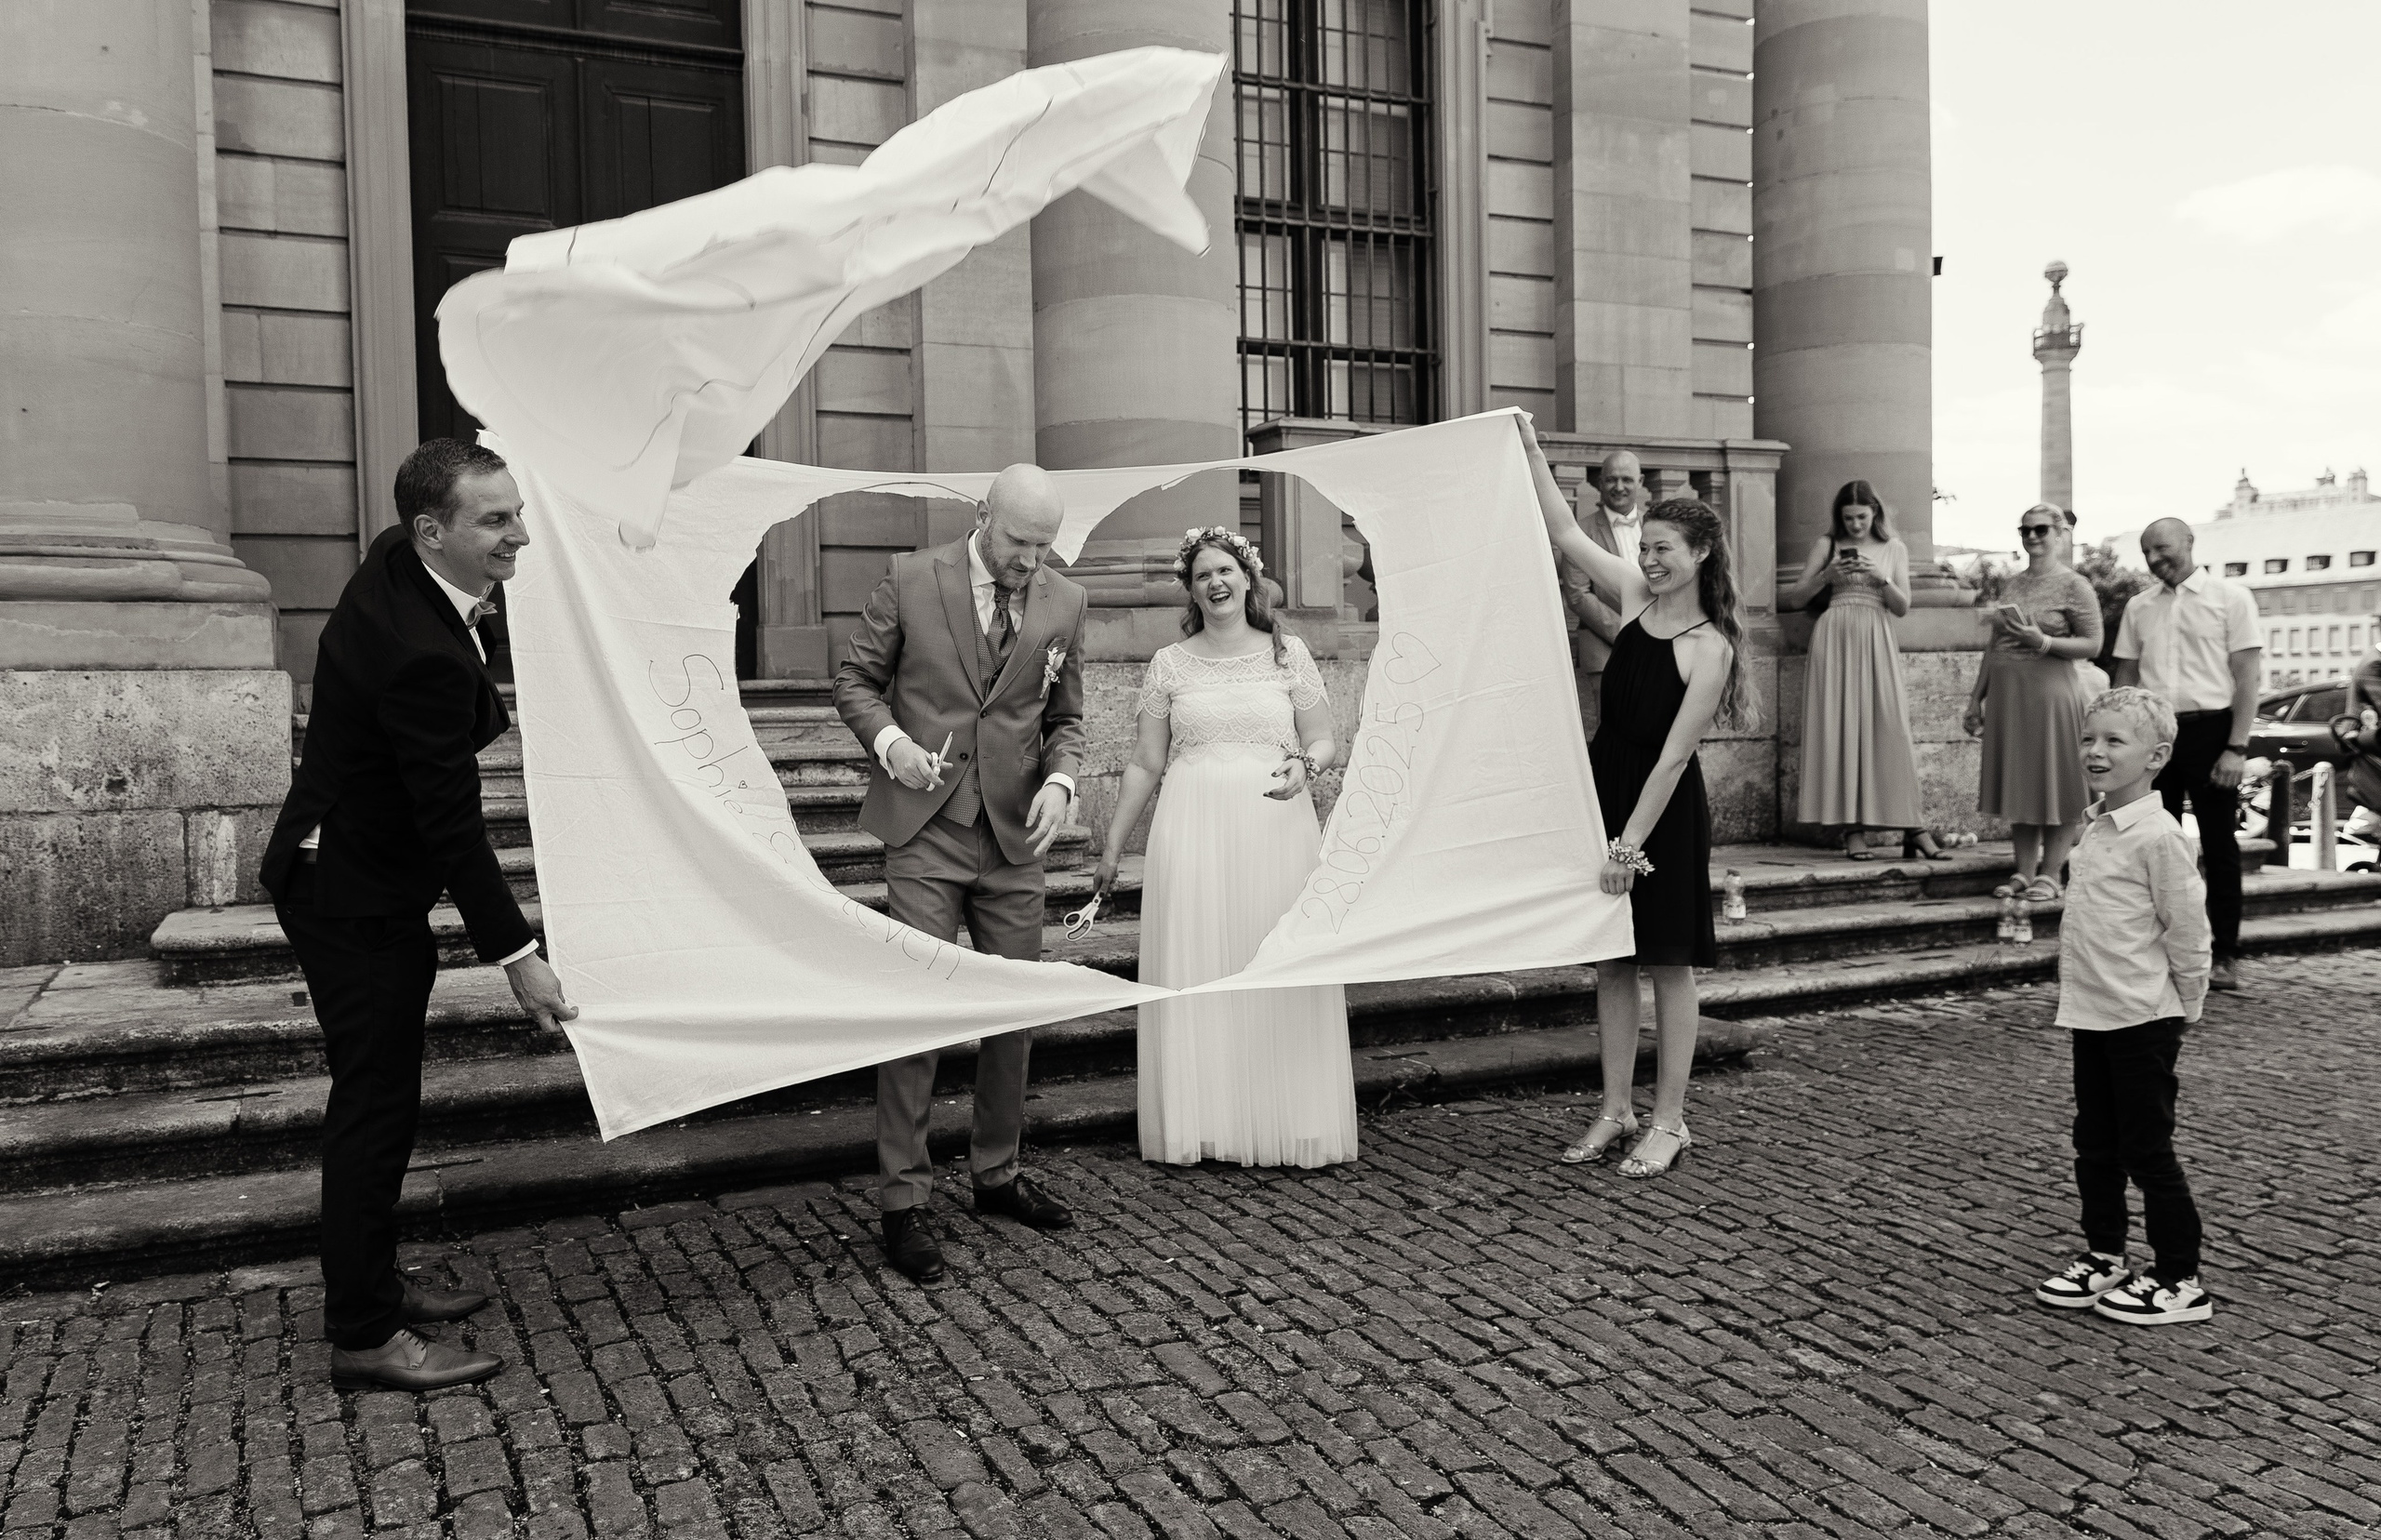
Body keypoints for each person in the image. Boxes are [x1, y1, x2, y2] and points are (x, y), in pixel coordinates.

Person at [259, 439, 578, 1391]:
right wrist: (519, 955)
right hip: (350, 895)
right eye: (495, 520)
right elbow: (452, 830)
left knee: (381, 1101)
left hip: (352, 867)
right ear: (430, 529)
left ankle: (374, 1285)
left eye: (517, 512)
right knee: (373, 1108)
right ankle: (364, 1331)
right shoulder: (418, 655)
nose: (519, 535)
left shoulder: (399, 563)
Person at [833, 464, 1089, 1283]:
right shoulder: (912, 578)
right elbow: (854, 680)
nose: (1030, 560)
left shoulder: (1065, 601)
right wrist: (892, 746)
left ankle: (997, 1174)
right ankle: (904, 1202)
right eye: (1019, 541)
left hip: (1015, 838)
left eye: (1045, 545)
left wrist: (1061, 779)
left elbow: (1066, 718)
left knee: (1012, 1011)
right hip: (926, 832)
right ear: (984, 517)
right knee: (918, 1013)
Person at [1522, 420, 1758, 1178]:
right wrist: (1527, 448)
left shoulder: (1710, 647)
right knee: (1612, 965)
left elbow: (1674, 757)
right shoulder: (1626, 593)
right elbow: (1562, 529)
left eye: (1664, 549)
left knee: (1667, 965)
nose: (1649, 560)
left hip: (1660, 812)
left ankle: (1669, 1121)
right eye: (1645, 546)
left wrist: (1629, 846)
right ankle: (1615, 1109)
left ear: (1700, 555)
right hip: (1605, 786)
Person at [1093, 527, 1355, 1167]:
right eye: (1203, 574)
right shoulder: (1169, 665)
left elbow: (1323, 739)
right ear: (1191, 590)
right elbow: (1144, 765)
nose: (1216, 582)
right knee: (1201, 968)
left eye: (1226, 570)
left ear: (1248, 578)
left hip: (1275, 832)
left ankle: (1288, 1119)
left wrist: (1306, 770)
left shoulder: (1287, 654)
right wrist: (1111, 849)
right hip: (1192, 833)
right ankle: (1205, 1121)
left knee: (1270, 967)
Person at [2032, 686, 2213, 1326]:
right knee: (2095, 1144)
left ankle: (2180, 1276)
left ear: (2157, 755)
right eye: (2089, 739)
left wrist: (2189, 999)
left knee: (2147, 1148)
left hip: (2143, 1015)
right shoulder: (2097, 825)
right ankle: (2105, 1254)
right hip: (2094, 1012)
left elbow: (2187, 925)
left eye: (2114, 741)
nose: (2096, 751)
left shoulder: (2159, 837)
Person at [2110, 517, 2261, 993]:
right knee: (2151, 847)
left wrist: (2236, 747)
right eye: (2147, 552)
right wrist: (2120, 744)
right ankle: (2159, 952)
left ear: (2190, 543)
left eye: (2163, 548)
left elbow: (2247, 680)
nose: (2156, 559)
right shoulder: (2138, 607)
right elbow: (2125, 679)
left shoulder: (2231, 599)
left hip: (2212, 731)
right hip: (2156, 735)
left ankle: (2225, 954)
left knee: (2219, 848)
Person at [1781, 479, 1944, 861]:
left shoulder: (1895, 548)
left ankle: (1912, 826)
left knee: (1890, 729)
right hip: (1835, 634)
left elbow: (1902, 607)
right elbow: (1794, 598)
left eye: (1862, 517)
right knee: (1842, 730)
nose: (1855, 525)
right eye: (1848, 518)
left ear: (1875, 514)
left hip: (1876, 636)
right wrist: (1827, 576)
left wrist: (1880, 577)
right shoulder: (1826, 545)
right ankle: (1852, 830)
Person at [1962, 503, 2102, 902]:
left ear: (2060, 534)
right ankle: (2023, 871)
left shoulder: (2075, 585)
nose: (2032, 537)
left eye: (2041, 529)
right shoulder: (2013, 583)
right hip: (2009, 696)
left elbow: (2093, 643)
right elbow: (1995, 644)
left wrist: (2042, 641)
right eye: (2025, 530)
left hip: (2050, 691)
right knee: (2022, 786)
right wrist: (1976, 698)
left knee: (2057, 782)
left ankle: (2052, 873)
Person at [1559, 450, 1645, 743]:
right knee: (1611, 730)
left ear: (1641, 481)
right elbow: (1577, 594)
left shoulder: (1659, 526)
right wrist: (1628, 633)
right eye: (1611, 479)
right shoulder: (1581, 530)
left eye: (1626, 479)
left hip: (1661, 639)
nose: (1619, 487)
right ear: (1599, 483)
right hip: (1604, 644)